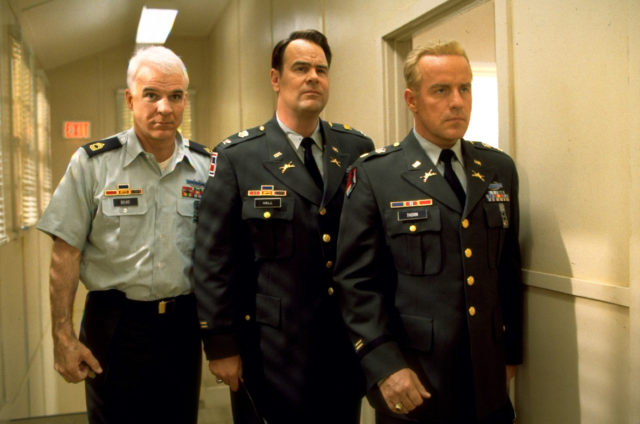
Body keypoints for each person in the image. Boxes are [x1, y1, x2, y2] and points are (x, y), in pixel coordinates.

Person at [333, 40, 523, 424]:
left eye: (464, 88)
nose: (457, 102)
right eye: (441, 90)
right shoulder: (376, 174)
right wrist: (384, 365)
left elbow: (507, 270)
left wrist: (511, 354)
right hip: (414, 381)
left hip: (486, 383)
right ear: (412, 100)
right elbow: (356, 284)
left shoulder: (497, 168)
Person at [192, 29, 374, 423]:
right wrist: (221, 344)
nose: (313, 78)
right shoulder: (238, 156)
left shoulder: (356, 149)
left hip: (342, 346)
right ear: (276, 79)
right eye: (301, 68)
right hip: (270, 349)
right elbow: (213, 258)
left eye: (321, 70)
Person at [37, 46, 211, 424]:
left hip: (182, 324)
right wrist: (63, 337)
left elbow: (221, 256)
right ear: (131, 100)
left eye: (175, 96)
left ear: (185, 101)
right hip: (114, 324)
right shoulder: (93, 165)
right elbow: (65, 254)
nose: (164, 107)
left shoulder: (206, 168)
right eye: (151, 95)